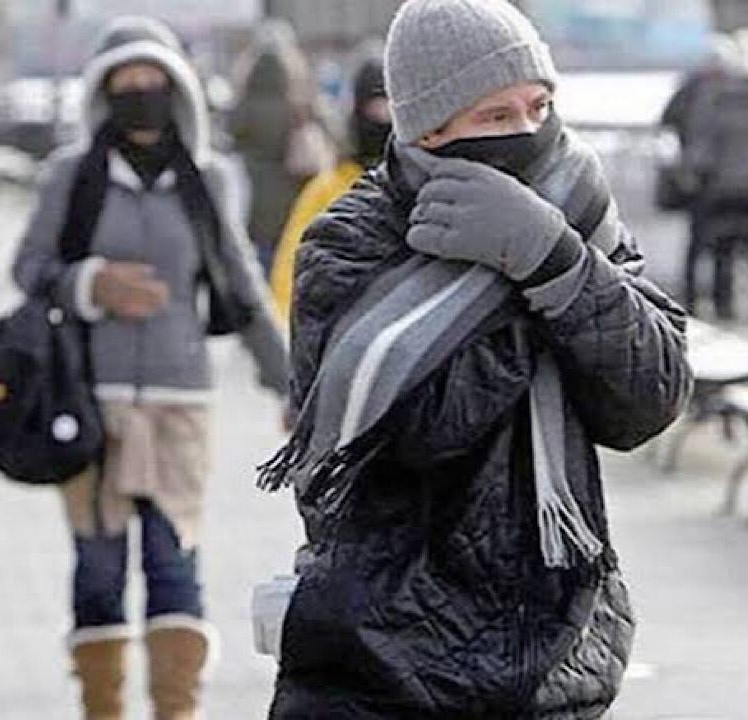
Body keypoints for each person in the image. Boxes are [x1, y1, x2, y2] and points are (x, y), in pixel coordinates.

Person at [259, 0, 693, 716]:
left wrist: (557, 262)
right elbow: (419, 432)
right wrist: (527, 282)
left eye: (540, 106)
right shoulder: (349, 241)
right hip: (386, 659)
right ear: (432, 126)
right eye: (496, 117)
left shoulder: (575, 215)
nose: (528, 133)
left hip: (555, 650)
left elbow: (649, 399)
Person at [11, 16, 287, 720]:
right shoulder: (72, 177)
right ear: (103, 93)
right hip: (90, 402)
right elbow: (30, 267)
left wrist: (292, 386)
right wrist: (90, 284)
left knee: (173, 568)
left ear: (179, 89)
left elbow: (242, 287)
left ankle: (175, 712)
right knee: (100, 572)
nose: (141, 93)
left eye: (153, 81)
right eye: (125, 83)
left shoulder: (210, 180)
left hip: (180, 404)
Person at [270, 46, 392, 319]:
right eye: (375, 108)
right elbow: (291, 267)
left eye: (391, 108)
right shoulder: (327, 191)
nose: (384, 119)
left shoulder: (428, 186)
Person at [230, 20, 336, 275]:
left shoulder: (242, 104)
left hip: (255, 203)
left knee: (263, 268)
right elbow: (335, 139)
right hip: (296, 198)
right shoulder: (302, 100)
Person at [660, 35, 746, 319]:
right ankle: (720, 305)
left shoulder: (699, 92)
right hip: (725, 185)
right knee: (721, 248)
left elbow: (682, 132)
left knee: (707, 246)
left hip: (709, 184)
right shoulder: (713, 93)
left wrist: (688, 172)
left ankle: (702, 303)